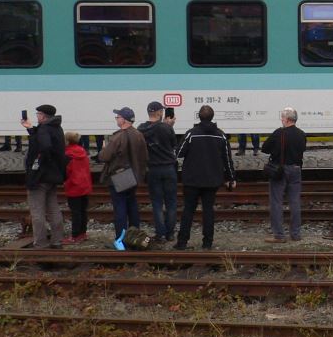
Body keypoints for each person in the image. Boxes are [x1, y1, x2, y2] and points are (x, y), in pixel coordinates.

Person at [176, 105, 236, 250]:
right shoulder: (221, 135)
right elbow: (227, 159)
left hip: (192, 179)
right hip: (212, 180)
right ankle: (207, 243)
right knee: (208, 211)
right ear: (212, 117)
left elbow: (179, 153)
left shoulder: (191, 134)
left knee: (188, 210)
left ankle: (182, 242)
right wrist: (231, 178)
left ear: (199, 116)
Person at [99, 107, 148, 247]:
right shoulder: (139, 135)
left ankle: (120, 241)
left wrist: (103, 148)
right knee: (132, 206)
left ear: (124, 120)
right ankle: (134, 238)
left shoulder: (118, 137)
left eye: (118, 117)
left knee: (120, 208)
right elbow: (144, 156)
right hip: (134, 175)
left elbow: (104, 156)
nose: (116, 119)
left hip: (120, 176)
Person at [21, 104, 66, 249]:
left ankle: (40, 243)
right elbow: (43, 138)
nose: (37, 116)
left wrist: (39, 161)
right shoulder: (56, 128)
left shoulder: (44, 129)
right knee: (53, 209)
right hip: (53, 175)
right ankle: (57, 240)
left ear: (43, 116)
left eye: (38, 114)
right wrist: (30, 128)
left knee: (37, 211)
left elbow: (44, 145)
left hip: (40, 176)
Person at [261, 107, 307, 242]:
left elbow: (265, 148)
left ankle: (279, 235)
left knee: (276, 202)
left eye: (282, 117)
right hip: (296, 169)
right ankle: (296, 234)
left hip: (280, 170)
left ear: (287, 119)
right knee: (295, 201)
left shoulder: (279, 133)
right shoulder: (301, 134)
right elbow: (302, 149)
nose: (281, 120)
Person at [139, 101, 179, 243]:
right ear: (159, 112)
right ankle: (170, 233)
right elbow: (173, 144)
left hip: (153, 168)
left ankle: (160, 234)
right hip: (168, 168)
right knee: (171, 202)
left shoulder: (141, 129)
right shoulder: (166, 128)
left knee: (156, 203)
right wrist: (170, 127)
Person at [62, 131, 92, 243]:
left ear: (67, 141)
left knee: (75, 212)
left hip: (73, 185)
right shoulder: (82, 151)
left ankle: (75, 235)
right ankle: (83, 233)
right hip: (85, 184)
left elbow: (65, 172)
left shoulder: (67, 155)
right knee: (83, 210)